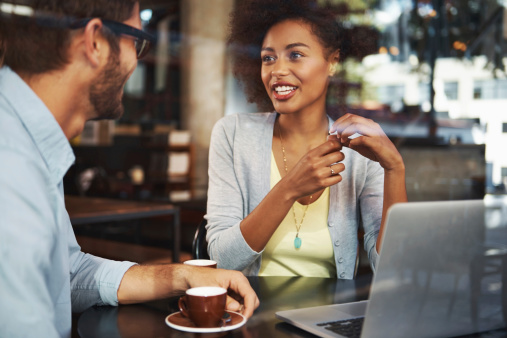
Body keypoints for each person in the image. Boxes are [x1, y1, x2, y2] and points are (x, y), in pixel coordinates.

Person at [0, 1, 258, 336]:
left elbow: (68, 273)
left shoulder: (28, 141)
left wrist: (181, 276)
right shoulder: (12, 169)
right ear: (94, 42)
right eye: (136, 41)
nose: (137, 60)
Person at [205, 0, 407, 279]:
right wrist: (289, 189)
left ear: (333, 62)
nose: (277, 70)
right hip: (251, 313)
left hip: (327, 317)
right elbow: (222, 260)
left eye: (295, 55)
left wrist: (395, 169)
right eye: (268, 58)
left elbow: (390, 269)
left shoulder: (359, 150)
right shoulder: (233, 133)